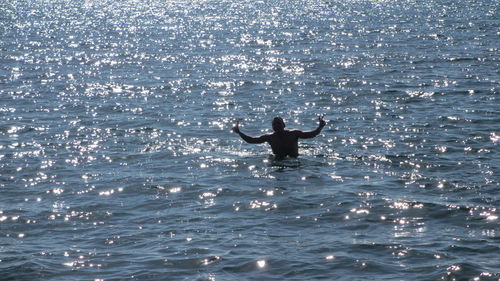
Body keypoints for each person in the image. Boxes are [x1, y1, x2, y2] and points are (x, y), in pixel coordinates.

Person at [232, 116, 326, 159]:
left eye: (278, 123)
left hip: (294, 160)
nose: (276, 125)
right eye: (274, 124)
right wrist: (239, 133)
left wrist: (320, 127)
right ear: (272, 127)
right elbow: (252, 140)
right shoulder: (270, 137)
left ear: (284, 125)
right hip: (277, 161)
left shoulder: (293, 134)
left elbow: (311, 134)